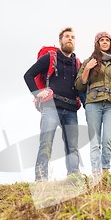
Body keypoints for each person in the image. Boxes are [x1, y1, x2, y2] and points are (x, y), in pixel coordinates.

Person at [24, 27, 81, 181]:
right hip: (51, 107)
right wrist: (37, 93)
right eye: (67, 36)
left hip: (70, 110)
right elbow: (28, 75)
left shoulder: (77, 63)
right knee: (46, 144)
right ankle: (41, 179)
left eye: (73, 37)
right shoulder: (49, 58)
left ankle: (74, 178)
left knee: (73, 147)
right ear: (60, 41)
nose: (70, 39)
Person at [75, 31, 111, 178]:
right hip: (93, 104)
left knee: (108, 139)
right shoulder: (89, 61)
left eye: (107, 40)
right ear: (97, 43)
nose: (104, 42)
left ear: (110, 43)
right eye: (101, 40)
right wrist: (88, 68)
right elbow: (79, 85)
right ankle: (96, 173)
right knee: (95, 141)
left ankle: (105, 171)